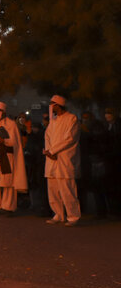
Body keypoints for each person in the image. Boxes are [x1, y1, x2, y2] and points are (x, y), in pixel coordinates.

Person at [44, 95, 81, 226]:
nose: (51, 108)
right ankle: (58, 215)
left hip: (64, 160)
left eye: (52, 105)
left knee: (67, 190)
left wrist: (53, 151)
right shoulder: (53, 121)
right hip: (51, 160)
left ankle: (73, 217)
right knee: (53, 190)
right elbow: (47, 136)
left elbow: (70, 139)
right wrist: (49, 152)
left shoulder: (72, 118)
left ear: (58, 105)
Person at [20, 114, 48, 216]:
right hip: (31, 163)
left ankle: (42, 206)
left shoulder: (40, 135)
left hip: (39, 164)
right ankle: (34, 204)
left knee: (40, 185)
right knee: (32, 184)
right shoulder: (31, 136)